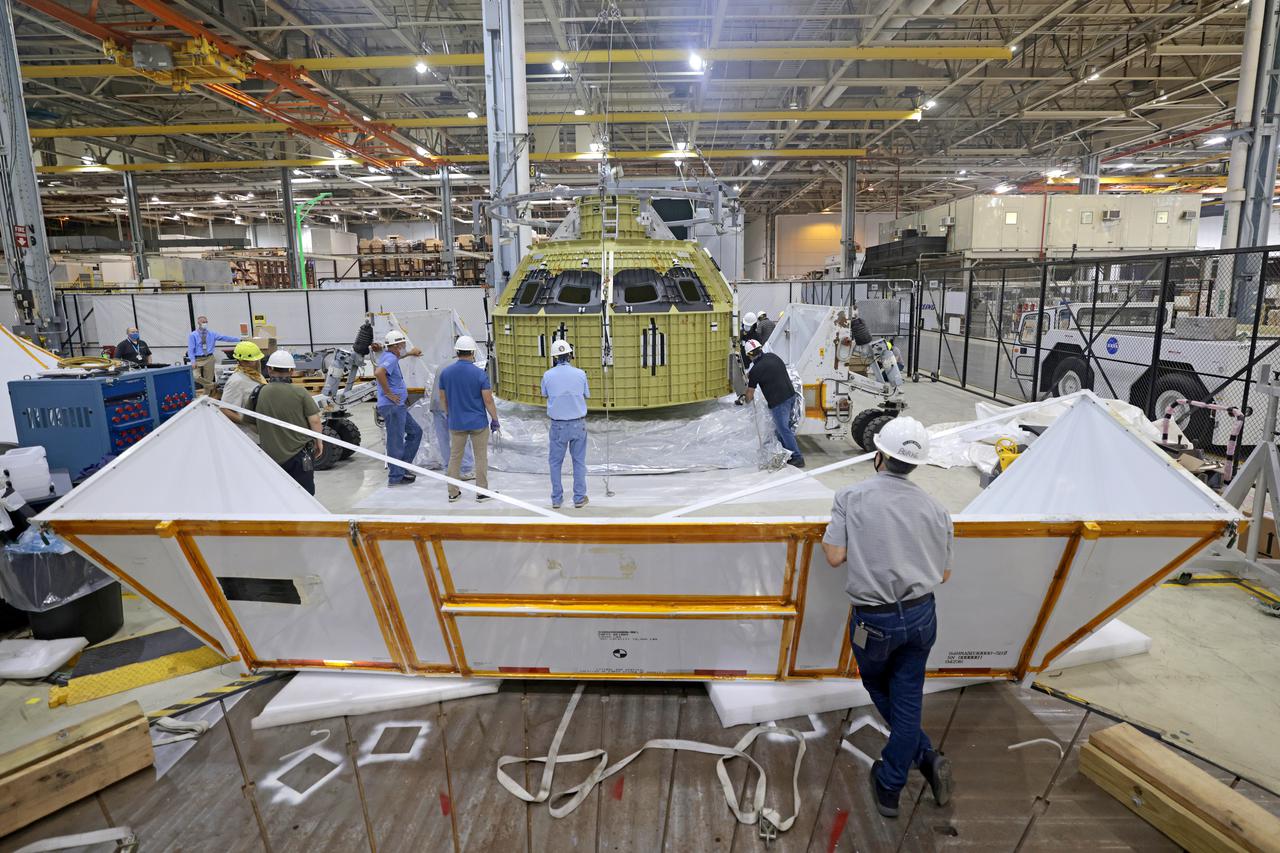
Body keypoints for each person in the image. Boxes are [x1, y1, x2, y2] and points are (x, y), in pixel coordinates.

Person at [821, 416, 954, 820]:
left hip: (874, 621)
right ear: (916, 464)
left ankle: (892, 783)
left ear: (878, 454)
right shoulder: (937, 509)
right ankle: (922, 760)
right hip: (922, 615)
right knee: (908, 694)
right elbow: (944, 573)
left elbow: (834, 556)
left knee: (880, 687)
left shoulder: (851, 497)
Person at [252, 350, 324, 495]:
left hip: (270, 456)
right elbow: (315, 420)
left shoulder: (258, 392)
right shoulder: (300, 392)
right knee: (304, 495)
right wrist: (319, 441)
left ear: (270, 369)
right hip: (299, 455)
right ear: (292, 371)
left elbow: (250, 422)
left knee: (279, 495)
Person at [438, 335, 499, 503]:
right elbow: (488, 400)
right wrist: (495, 419)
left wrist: (450, 414)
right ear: (472, 352)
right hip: (478, 423)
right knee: (480, 457)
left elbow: (443, 399)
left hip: (456, 423)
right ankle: (481, 492)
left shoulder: (446, 373)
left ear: (457, 352)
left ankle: (453, 493)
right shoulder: (479, 374)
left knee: (455, 457)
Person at [540, 339, 590, 509]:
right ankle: (579, 498)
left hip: (558, 425)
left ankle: (556, 499)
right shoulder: (580, 374)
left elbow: (545, 394)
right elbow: (586, 394)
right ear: (570, 355)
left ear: (554, 358)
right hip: (578, 424)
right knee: (579, 462)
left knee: (555, 463)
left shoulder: (547, 375)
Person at [743, 339, 804, 468]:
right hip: (790, 395)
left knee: (783, 429)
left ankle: (798, 458)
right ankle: (785, 453)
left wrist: (744, 401)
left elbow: (750, 394)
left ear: (750, 355)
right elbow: (764, 370)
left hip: (779, 401)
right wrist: (750, 375)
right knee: (782, 429)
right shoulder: (772, 356)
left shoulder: (756, 370)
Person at [376, 330, 425, 487]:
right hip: (393, 406)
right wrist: (388, 392)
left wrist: (410, 353)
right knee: (395, 440)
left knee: (415, 432)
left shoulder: (389, 356)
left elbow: (395, 357)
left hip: (398, 406)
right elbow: (379, 372)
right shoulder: (390, 358)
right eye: (403, 345)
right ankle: (396, 476)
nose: (404, 346)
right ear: (397, 345)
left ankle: (402, 468)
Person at [429, 367, 474, 481]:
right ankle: (466, 469)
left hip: (436, 405)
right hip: (451, 406)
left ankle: (449, 469)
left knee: (443, 439)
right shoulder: (462, 369)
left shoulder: (442, 366)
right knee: (461, 437)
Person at [219, 341, 266, 439]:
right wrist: (248, 423)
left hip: (261, 432)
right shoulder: (237, 381)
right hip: (249, 436)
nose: (257, 362)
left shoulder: (256, 375)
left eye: (257, 359)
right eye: (254, 360)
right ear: (241, 361)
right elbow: (224, 409)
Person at [187, 315, 239, 392]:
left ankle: (207, 396)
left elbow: (225, 337)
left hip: (209, 358)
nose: (205, 323)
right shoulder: (193, 335)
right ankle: (213, 385)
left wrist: (239, 339)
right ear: (198, 323)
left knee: (209, 378)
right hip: (198, 359)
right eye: (203, 322)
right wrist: (192, 361)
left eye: (206, 322)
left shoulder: (212, 334)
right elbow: (191, 349)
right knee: (195, 376)